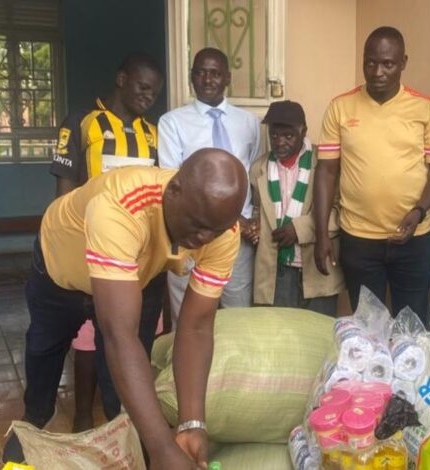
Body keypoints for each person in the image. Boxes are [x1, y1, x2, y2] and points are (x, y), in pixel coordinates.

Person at [3, 150, 247, 469]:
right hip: (59, 275)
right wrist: (162, 448)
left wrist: (192, 424)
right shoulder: (121, 206)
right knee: (44, 353)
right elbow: (120, 336)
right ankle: (32, 422)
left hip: (138, 272)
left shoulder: (223, 230)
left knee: (122, 389)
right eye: (198, 226)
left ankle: (128, 438)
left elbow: (197, 327)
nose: (205, 239)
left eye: (215, 231)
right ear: (173, 190)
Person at [50, 52, 165, 431]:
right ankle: (84, 414)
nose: (148, 96)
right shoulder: (82, 122)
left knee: (132, 337)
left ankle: (125, 420)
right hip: (95, 251)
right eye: (142, 87)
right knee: (91, 336)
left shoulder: (154, 134)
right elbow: (64, 195)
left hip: (140, 255)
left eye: (154, 92)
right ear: (121, 79)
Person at [314, 26, 430, 322]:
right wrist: (321, 234)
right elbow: (326, 171)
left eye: (388, 64)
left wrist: (419, 211)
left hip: (413, 238)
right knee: (367, 329)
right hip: (358, 239)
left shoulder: (425, 108)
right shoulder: (341, 107)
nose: (378, 72)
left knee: (411, 327)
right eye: (370, 63)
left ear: (403, 62)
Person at [159, 47, 260, 321]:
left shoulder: (249, 122)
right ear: (191, 77)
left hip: (237, 234)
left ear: (227, 78)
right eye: (200, 73)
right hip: (190, 232)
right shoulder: (172, 122)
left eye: (215, 73)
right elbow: (172, 181)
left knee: (237, 314)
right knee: (186, 316)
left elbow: (252, 174)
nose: (207, 79)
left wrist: (248, 222)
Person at [250, 100, 344, 316]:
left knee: (318, 330)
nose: (279, 142)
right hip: (276, 271)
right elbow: (257, 212)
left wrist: (299, 229)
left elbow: (341, 212)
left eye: (288, 136)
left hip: (317, 267)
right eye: (274, 135)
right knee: (280, 331)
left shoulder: (325, 163)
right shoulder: (259, 169)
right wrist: (254, 227)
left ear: (304, 131)